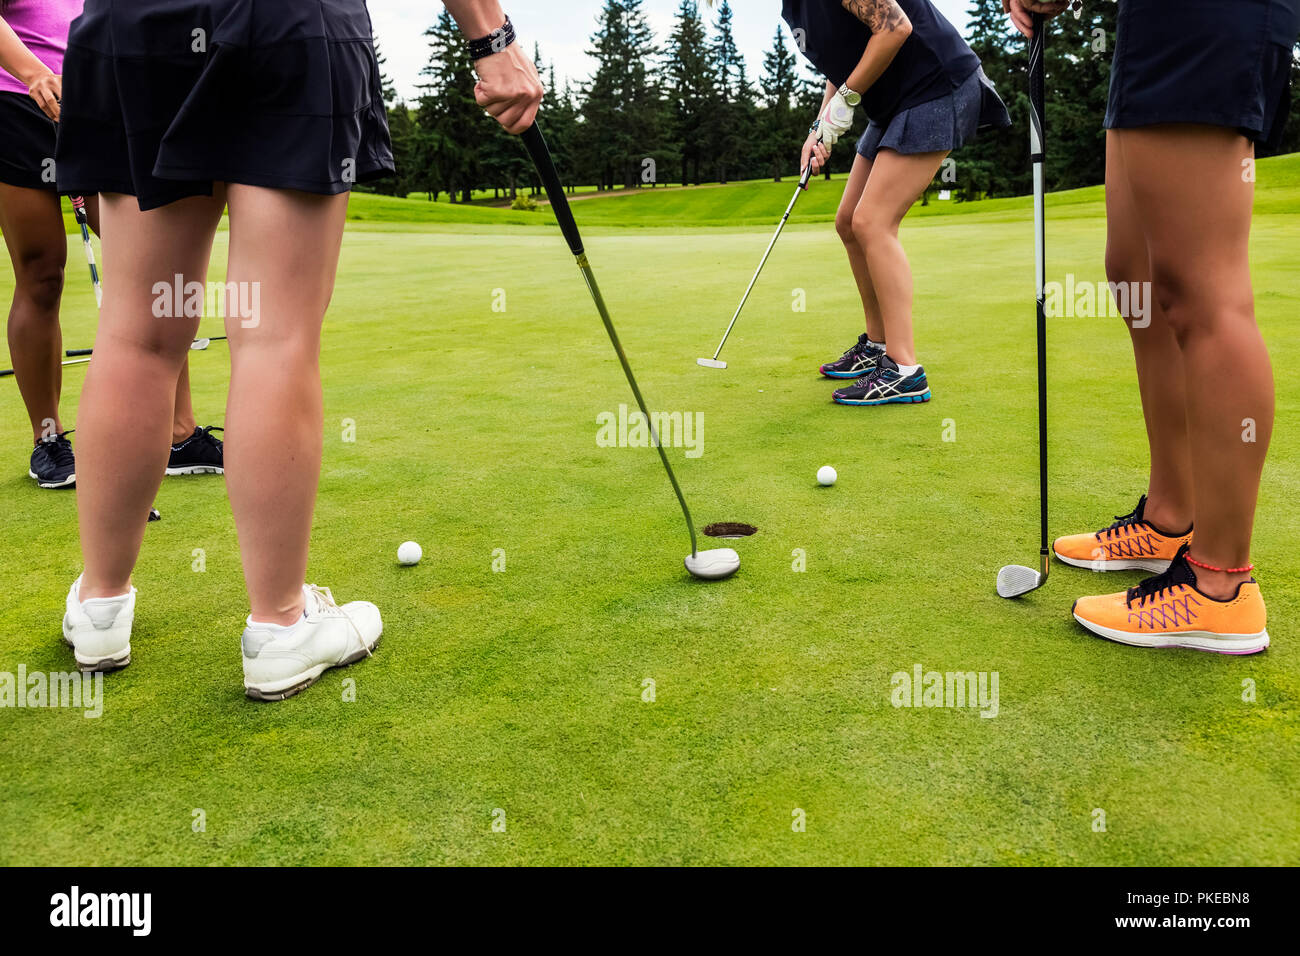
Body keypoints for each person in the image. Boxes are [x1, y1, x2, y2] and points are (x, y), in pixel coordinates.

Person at [54, 0, 541, 699]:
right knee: (274, 336)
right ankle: (280, 629)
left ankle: (100, 607)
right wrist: (490, 36)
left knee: (138, 332)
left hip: (140, 22)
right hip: (288, 22)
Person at [1009, 0, 1297, 654]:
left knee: (1202, 289)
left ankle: (1221, 585)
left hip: (1208, 17)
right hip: (1155, 22)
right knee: (1134, 275)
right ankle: (1170, 518)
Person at [0, 0, 223, 489]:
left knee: (156, 263)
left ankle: (179, 434)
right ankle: (48, 439)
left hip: (102, 99)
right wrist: (34, 73)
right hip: (17, 102)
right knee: (42, 272)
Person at [780, 0, 1010, 406]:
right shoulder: (793, 7)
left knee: (873, 221)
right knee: (849, 221)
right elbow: (842, 63)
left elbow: (895, 27)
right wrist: (821, 126)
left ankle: (904, 369)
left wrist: (845, 102)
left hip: (936, 85)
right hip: (895, 99)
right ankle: (877, 343)